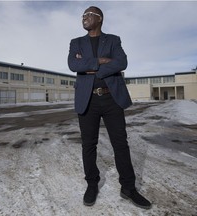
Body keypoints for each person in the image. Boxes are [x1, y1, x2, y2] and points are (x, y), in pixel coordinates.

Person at [67, 6, 152, 209]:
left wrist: (91, 68)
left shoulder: (113, 40)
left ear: (100, 18)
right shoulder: (76, 42)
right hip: (87, 100)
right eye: (83, 16)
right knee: (89, 145)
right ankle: (92, 184)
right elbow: (73, 65)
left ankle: (128, 188)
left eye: (88, 15)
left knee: (120, 144)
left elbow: (122, 62)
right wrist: (100, 61)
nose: (84, 18)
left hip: (112, 98)